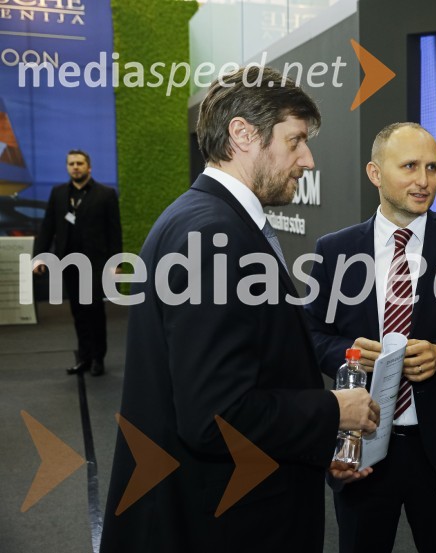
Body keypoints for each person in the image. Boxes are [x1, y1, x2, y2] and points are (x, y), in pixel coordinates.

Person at [100, 66, 379, 553]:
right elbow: (215, 418)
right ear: (242, 134)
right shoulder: (214, 237)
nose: (308, 160)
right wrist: (332, 409)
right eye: (295, 141)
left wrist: (313, 444)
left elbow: (249, 373)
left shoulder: (201, 219)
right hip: (223, 524)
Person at [305, 122, 436, 553]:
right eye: (410, 166)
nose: (424, 180)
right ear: (375, 173)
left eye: (433, 167)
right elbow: (310, 334)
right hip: (362, 443)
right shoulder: (335, 251)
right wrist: (349, 356)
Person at [32, 149, 122, 376]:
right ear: (67, 167)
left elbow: (114, 232)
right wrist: (40, 256)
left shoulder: (106, 194)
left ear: (88, 167)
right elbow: (47, 228)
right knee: (78, 312)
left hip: (95, 264)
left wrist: (116, 263)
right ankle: (85, 357)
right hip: (69, 263)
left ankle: (98, 358)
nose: (75, 167)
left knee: (94, 311)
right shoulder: (59, 193)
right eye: (71, 163)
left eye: (80, 163)